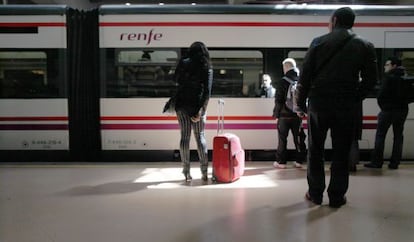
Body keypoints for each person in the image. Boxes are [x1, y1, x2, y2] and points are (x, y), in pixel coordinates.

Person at [294, 7, 378, 208]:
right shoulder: (365, 45)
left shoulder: (318, 42)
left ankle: (315, 194)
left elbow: (304, 78)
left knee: (315, 150)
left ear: (335, 20)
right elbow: (371, 80)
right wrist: (354, 97)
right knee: (342, 151)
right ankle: (337, 197)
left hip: (319, 103)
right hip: (346, 105)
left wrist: (300, 104)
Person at [174, 41, 213, 182]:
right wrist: (201, 111)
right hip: (197, 106)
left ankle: (186, 171)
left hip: (182, 105)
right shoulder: (206, 66)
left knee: (184, 137)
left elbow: (175, 81)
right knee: (200, 136)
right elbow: (207, 92)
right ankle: (204, 172)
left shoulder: (183, 63)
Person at [365, 57, 409, 170]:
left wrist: (384, 107)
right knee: (398, 137)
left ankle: (377, 162)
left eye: (387, 64)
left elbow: (380, 95)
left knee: (380, 135)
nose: (385, 66)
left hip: (388, 111)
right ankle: (394, 163)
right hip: (402, 111)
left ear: (394, 66)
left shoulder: (388, 78)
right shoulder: (405, 77)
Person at [272, 58, 304, 169]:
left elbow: (279, 100)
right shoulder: (301, 79)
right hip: (297, 115)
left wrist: (276, 114)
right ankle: (299, 161)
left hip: (284, 116)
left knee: (282, 139)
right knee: (299, 138)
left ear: (286, 67)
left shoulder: (283, 81)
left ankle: (281, 162)